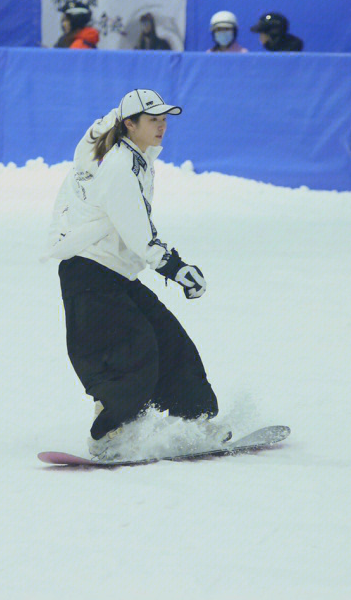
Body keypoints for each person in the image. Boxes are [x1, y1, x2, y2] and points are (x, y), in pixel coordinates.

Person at [46, 88, 229, 459]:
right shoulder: (119, 167)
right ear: (130, 124)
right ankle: (108, 435)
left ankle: (194, 422)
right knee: (131, 356)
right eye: (153, 120)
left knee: (171, 343)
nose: (162, 127)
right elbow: (140, 236)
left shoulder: (135, 154)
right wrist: (178, 270)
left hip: (114, 275)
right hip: (89, 275)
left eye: (164, 120)